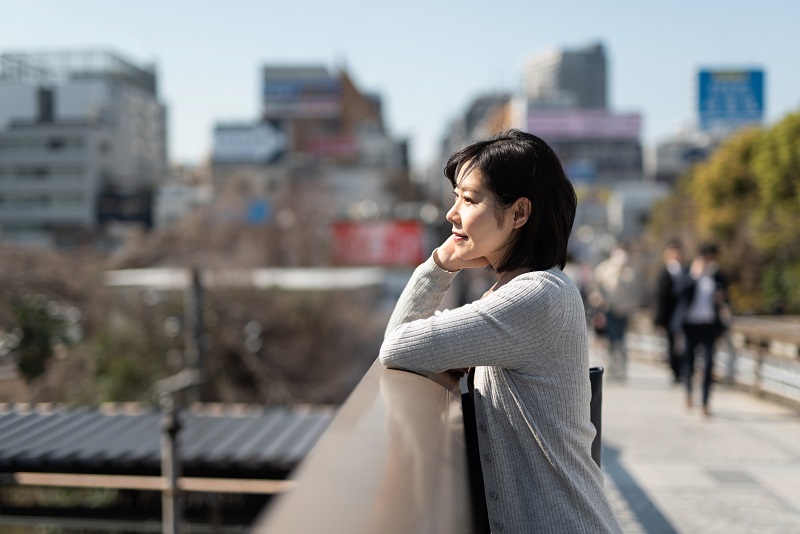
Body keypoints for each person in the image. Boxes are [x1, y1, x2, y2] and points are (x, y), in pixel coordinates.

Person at [379, 130, 622, 533]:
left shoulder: (536, 297)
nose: (451, 214)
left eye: (469, 199)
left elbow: (398, 345)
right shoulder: (521, 290)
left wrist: (440, 264)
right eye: (456, 197)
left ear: (519, 214)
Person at [676, 243, 729, 416]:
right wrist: (693, 276)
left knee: (708, 365)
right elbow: (679, 294)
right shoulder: (688, 275)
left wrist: (721, 299)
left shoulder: (718, 277)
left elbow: (726, 300)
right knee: (689, 362)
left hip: (709, 326)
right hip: (691, 325)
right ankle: (689, 392)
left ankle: (705, 403)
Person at [590, 243, 640, 381]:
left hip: (624, 311)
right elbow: (595, 287)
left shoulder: (631, 270)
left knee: (622, 341)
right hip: (609, 309)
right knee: (611, 341)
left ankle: (622, 371)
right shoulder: (604, 269)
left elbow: (636, 292)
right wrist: (599, 303)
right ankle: (611, 369)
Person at [654, 239, 686, 383]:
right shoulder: (664, 273)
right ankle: (676, 371)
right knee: (672, 345)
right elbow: (660, 298)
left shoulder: (686, 271)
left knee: (683, 345)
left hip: (684, 315)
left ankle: (683, 370)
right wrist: (659, 319)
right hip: (669, 316)